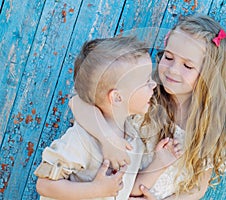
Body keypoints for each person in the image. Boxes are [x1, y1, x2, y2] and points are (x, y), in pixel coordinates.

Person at [38, 14, 226, 199]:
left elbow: (199, 187)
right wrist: (107, 140)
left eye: (188, 66)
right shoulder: (144, 94)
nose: (173, 70)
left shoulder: (210, 125)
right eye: (168, 57)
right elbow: (77, 102)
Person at [34, 36, 161, 199]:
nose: (154, 85)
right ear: (117, 98)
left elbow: (125, 189)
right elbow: (44, 184)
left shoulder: (134, 140)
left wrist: (162, 162)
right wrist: (97, 190)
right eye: (146, 81)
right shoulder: (81, 139)